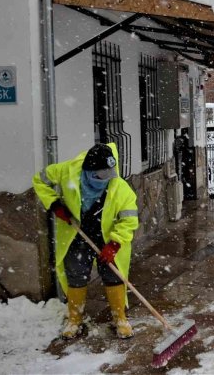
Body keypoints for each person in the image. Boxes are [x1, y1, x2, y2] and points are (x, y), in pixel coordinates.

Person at [33, 143, 139, 340]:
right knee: (76, 275)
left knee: (114, 276)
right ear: (88, 172)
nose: (106, 180)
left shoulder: (120, 189)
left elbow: (129, 220)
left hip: (107, 238)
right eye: (101, 176)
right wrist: (54, 204)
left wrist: (115, 244)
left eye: (109, 175)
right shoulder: (66, 171)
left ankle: (120, 318)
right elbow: (39, 180)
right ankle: (74, 319)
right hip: (77, 234)